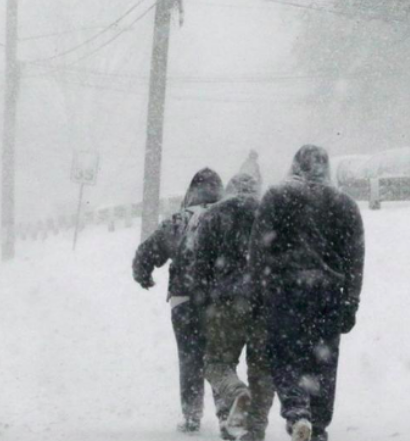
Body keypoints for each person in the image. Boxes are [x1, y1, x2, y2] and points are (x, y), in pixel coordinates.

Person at [249, 145, 365, 441]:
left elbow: (258, 250)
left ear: (295, 165)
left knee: (286, 354)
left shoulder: (276, 197)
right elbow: (355, 259)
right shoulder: (344, 204)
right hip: (329, 293)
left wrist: (257, 295)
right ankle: (319, 427)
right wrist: (351, 300)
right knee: (323, 361)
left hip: (284, 291)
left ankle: (298, 411)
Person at [132, 168, 224, 433]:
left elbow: (148, 251)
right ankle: (226, 411)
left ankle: (192, 415)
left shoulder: (179, 220)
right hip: (221, 301)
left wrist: (143, 274)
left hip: (184, 301)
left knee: (190, 357)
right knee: (220, 357)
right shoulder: (227, 216)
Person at [192, 173, 275, 441]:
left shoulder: (213, 216)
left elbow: (201, 267)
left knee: (216, 364)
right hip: (265, 304)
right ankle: (256, 430)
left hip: (226, 304)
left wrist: (202, 303)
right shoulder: (270, 214)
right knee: (262, 370)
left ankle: (235, 394)